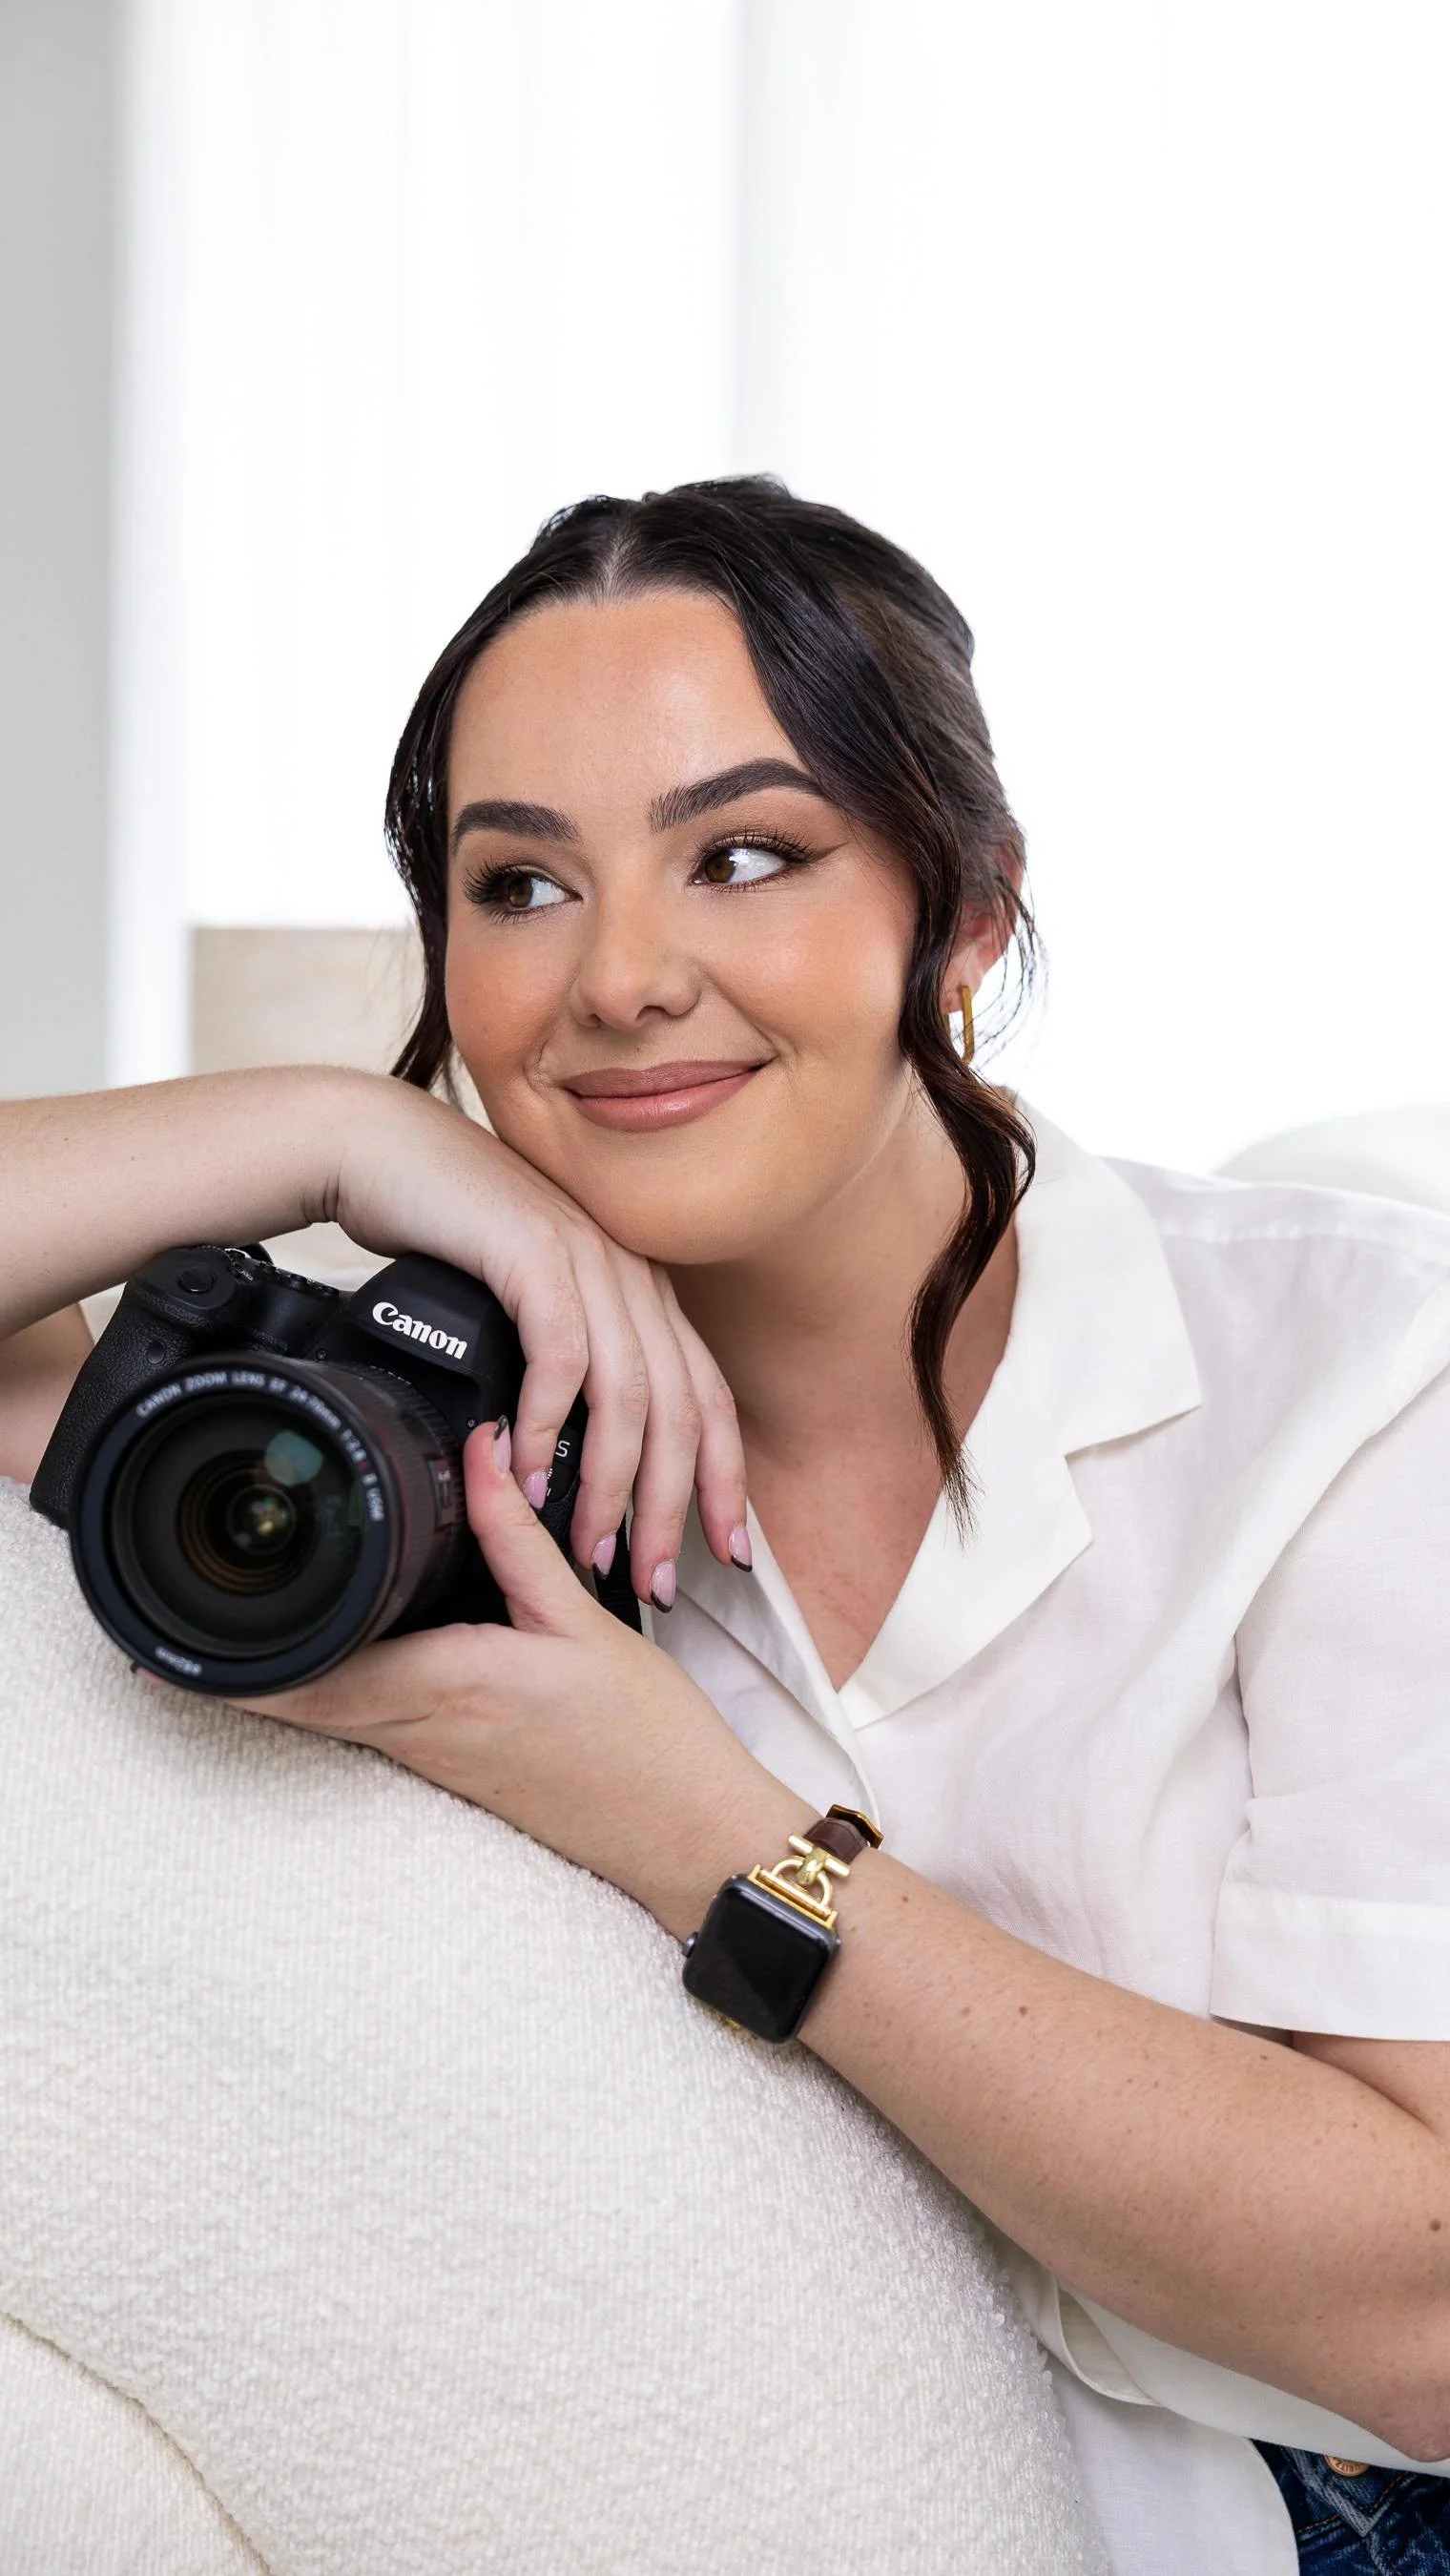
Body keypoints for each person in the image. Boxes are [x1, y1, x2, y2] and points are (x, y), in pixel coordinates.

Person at [5, 477, 1450, 2575]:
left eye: (745, 855)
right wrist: (330, 1125)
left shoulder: (1356, 1371)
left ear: (963, 913)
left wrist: (700, 1830)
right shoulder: (354, 1444)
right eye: (519, 886)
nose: (617, 980)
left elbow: (1425, 2318)